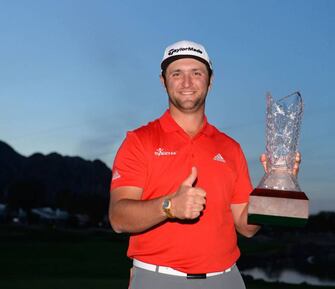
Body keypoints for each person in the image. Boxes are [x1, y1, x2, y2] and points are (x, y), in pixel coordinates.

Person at [109, 40, 300, 289]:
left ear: (210, 81)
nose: (187, 83)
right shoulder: (139, 141)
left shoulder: (230, 148)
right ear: (163, 81)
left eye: (196, 73)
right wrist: (169, 207)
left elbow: (246, 226)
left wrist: (274, 187)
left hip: (226, 279)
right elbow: (118, 218)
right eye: (177, 73)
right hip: (159, 279)